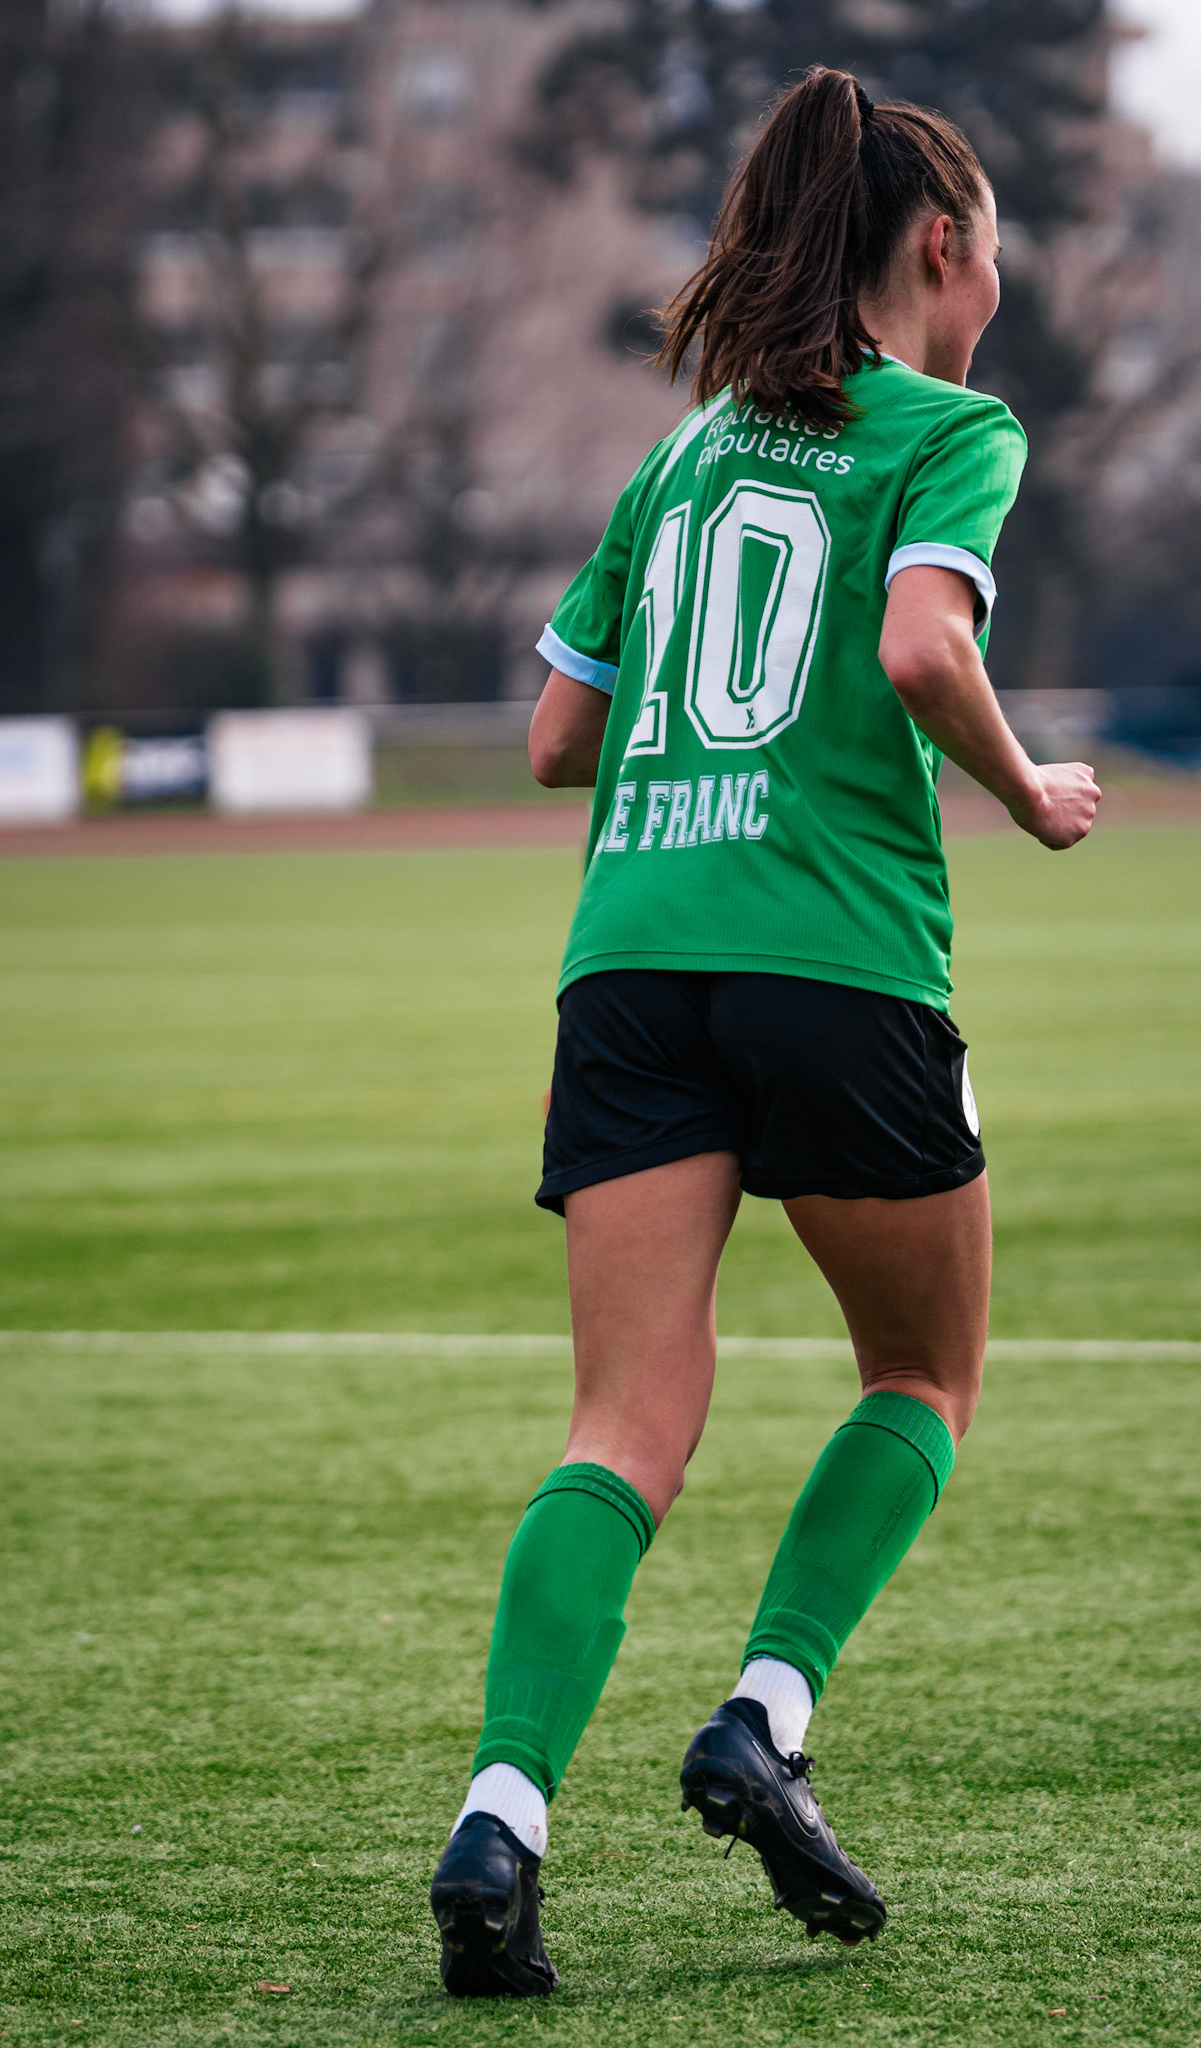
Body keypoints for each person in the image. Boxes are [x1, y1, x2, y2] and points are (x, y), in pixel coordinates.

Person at [430, 66, 1100, 1998]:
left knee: (621, 1428)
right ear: (941, 248)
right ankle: (765, 1713)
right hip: (834, 957)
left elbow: (560, 735)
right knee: (921, 1375)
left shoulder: (680, 460)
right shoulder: (950, 426)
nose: (994, 300)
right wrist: (1026, 794)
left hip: (630, 959)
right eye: (993, 264)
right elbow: (916, 644)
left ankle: (501, 1818)